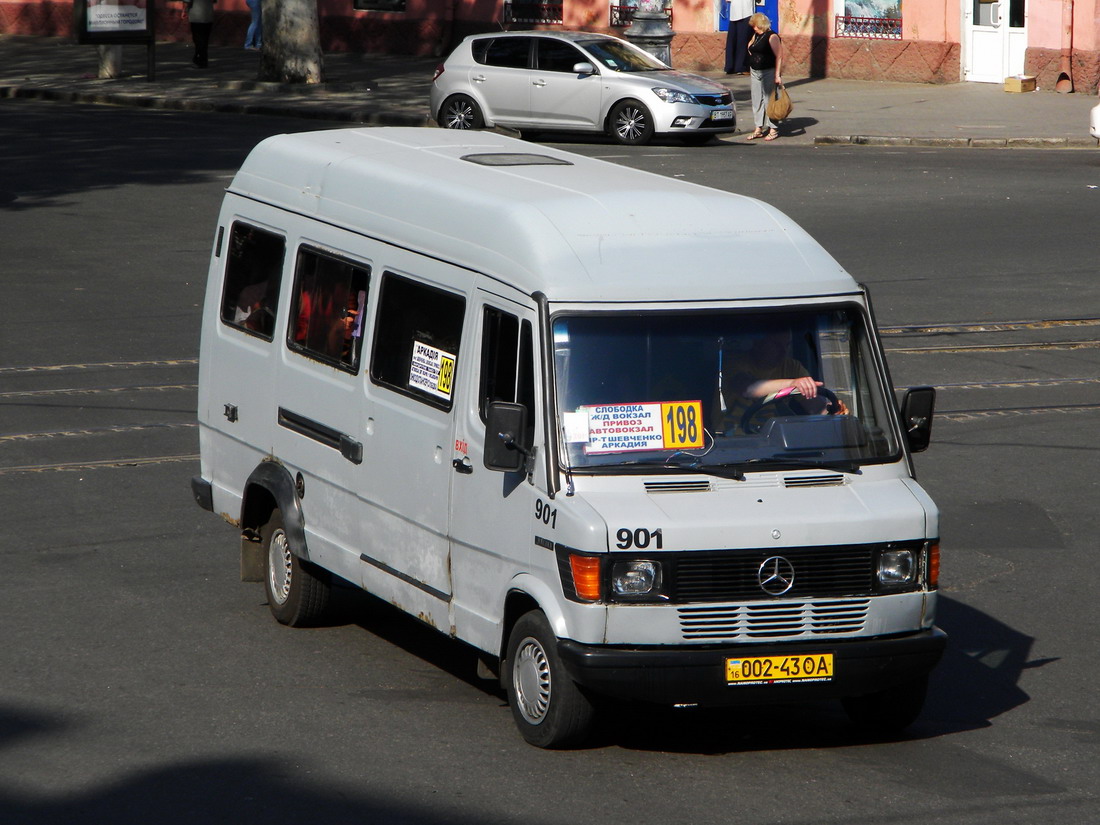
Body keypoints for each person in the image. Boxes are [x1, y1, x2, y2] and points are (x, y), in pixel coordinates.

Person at [721, 328, 846, 432]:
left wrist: (832, 411)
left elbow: (815, 407)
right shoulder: (735, 362)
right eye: (776, 345)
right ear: (758, 343)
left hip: (773, 440)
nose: (784, 351)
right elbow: (747, 388)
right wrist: (792, 383)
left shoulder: (792, 367)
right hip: (733, 439)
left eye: (786, 345)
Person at [745, 12, 783, 142]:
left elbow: (779, 56)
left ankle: (773, 129)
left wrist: (777, 75)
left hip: (768, 71)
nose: (753, 28)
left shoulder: (772, 36)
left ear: (761, 25)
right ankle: (758, 128)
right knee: (756, 100)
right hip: (755, 72)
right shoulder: (756, 35)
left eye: (755, 25)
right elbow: (749, 46)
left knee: (769, 100)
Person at [180, 0, 215, 69]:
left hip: (197, 15)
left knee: (198, 39)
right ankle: (202, 59)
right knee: (205, 38)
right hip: (208, 14)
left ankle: (200, 59)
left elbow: (187, 1)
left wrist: (184, 10)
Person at [723, 0, 754, 75]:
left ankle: (730, 66)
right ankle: (741, 67)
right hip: (745, 12)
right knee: (743, 40)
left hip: (734, 12)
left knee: (732, 40)